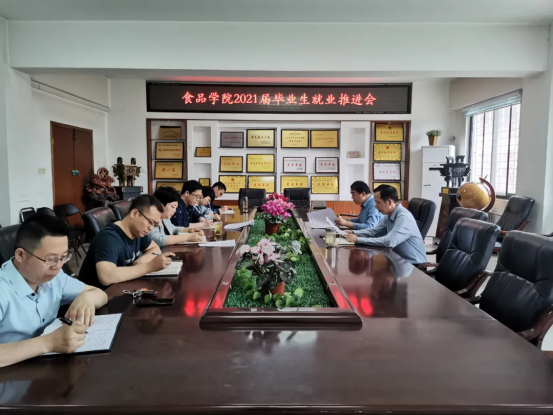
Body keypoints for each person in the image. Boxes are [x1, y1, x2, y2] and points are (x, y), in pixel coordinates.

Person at [0, 215, 107, 368]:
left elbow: (100, 294)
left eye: (63, 257)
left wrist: (87, 297)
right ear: (21, 255)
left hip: (46, 367)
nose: (57, 266)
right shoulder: (3, 291)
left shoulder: (55, 278)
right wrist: (48, 343)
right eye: (50, 259)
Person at [78, 195, 174, 290]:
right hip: (97, 295)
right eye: (150, 222)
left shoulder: (137, 232)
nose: (151, 228)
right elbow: (106, 277)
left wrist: (141, 261)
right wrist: (150, 266)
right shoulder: (109, 238)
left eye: (154, 225)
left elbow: (154, 248)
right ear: (134, 213)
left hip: (121, 288)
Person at [345, 185, 426, 264]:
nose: (375, 206)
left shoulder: (404, 217)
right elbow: (375, 232)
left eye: (378, 202)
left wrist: (358, 239)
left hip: (412, 265)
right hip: (397, 261)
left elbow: (389, 241)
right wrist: (353, 233)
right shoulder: (389, 215)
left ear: (389, 202)